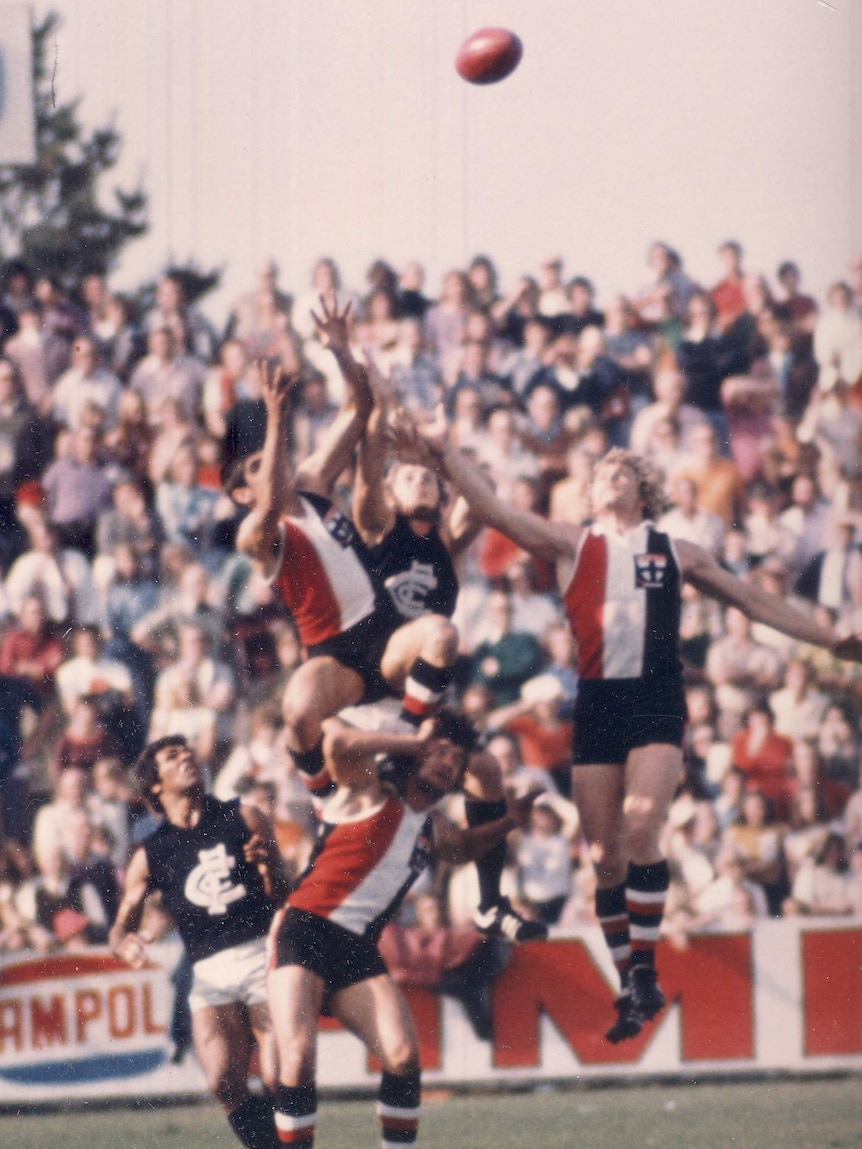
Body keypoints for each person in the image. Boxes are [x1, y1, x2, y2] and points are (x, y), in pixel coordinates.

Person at [415, 427, 862, 1041]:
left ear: (643, 490)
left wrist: (830, 640)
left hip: (655, 697)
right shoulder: (572, 542)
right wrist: (444, 453)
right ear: (591, 493)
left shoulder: (677, 551)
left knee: (644, 824)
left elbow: (754, 601)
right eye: (603, 472)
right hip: (598, 702)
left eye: (624, 471)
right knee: (603, 859)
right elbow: (493, 509)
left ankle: (644, 969)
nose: (612, 476)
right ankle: (632, 982)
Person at [229, 301, 462, 809]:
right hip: (333, 653)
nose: (271, 465)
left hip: (382, 630)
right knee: (297, 712)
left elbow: (357, 410)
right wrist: (274, 421)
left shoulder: (311, 483)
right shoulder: (255, 532)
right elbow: (269, 507)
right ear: (242, 494)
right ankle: (325, 798)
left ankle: (405, 741)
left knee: (441, 634)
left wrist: (337, 348)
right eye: (255, 467)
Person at [267, 707, 533, 1149]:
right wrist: (409, 740)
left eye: (457, 760)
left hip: (357, 948)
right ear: (419, 752)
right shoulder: (368, 790)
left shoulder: (433, 825)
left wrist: (507, 822)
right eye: (440, 752)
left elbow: (464, 848)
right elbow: (334, 744)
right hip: (305, 930)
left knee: (404, 1056)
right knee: (297, 1058)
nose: (448, 763)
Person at [352, 395, 544, 942]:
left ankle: (489, 903)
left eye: (429, 480)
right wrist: (387, 437)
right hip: (376, 680)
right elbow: (367, 476)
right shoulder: (375, 527)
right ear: (392, 492)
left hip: (421, 696)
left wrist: (442, 449)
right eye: (409, 477)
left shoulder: (446, 546)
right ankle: (402, 748)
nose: (422, 483)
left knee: (486, 772)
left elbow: (482, 494)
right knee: (440, 633)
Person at [110, 735, 290, 1149]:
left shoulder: (244, 817)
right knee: (222, 1081)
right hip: (208, 973)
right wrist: (124, 944)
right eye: (173, 756)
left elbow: (285, 893)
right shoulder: (151, 853)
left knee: (282, 1076)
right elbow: (120, 927)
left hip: (262, 956)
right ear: (155, 785)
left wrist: (268, 865)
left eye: (188, 751)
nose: (187, 757)